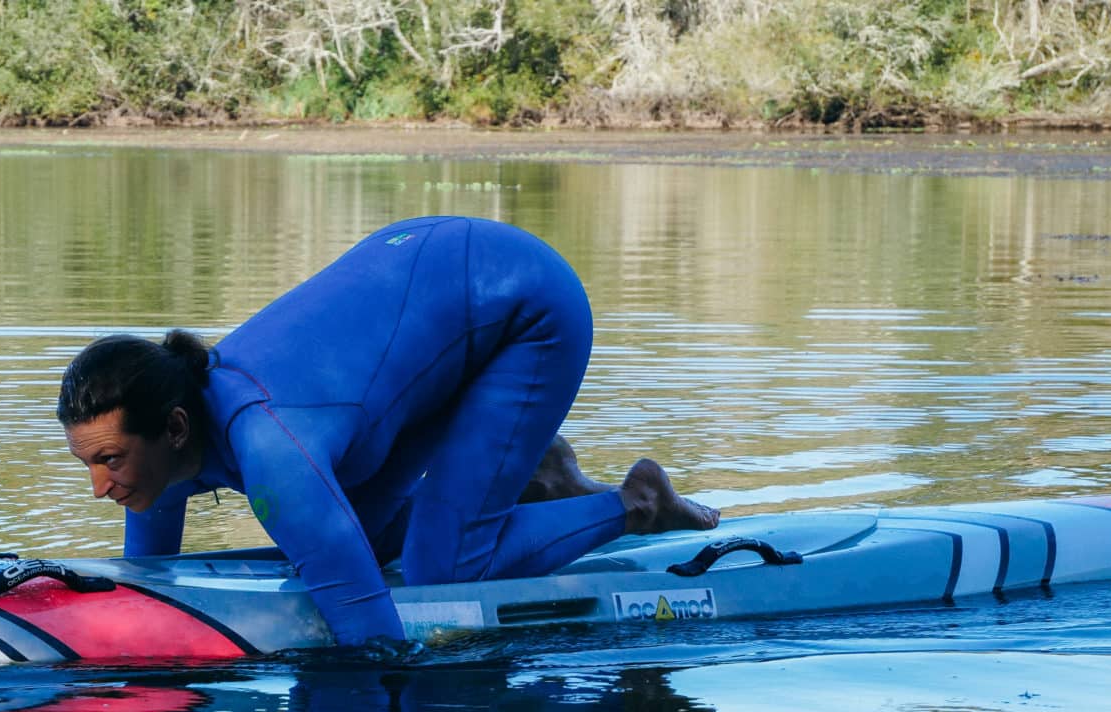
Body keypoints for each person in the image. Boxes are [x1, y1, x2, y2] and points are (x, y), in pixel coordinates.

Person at [56, 215, 718, 645]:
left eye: (108, 459)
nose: (97, 486)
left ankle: (636, 503)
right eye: (89, 464)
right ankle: (535, 481)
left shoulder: (269, 451)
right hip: (425, 300)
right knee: (356, 542)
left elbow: (375, 638)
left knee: (442, 565)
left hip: (520, 304)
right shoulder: (166, 432)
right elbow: (147, 577)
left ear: (174, 429)